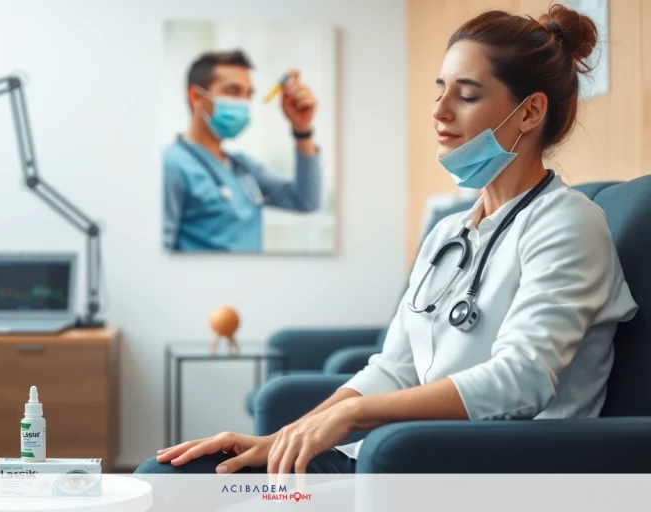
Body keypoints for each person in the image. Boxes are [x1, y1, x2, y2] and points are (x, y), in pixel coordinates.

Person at [140, 3, 638, 480]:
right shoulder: (450, 233)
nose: (440, 111)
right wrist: (284, 438)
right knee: (175, 478)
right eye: (439, 90)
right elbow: (395, 367)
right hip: (396, 460)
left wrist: (356, 418)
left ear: (529, 114)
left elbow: (521, 379)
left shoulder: (569, 223)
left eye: (466, 95)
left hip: (485, 465)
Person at [163, 50, 322, 252]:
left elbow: (306, 201)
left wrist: (302, 130)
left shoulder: (242, 167)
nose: (244, 103)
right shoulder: (171, 164)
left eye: (248, 95)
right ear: (196, 96)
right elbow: (160, 255)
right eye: (233, 91)